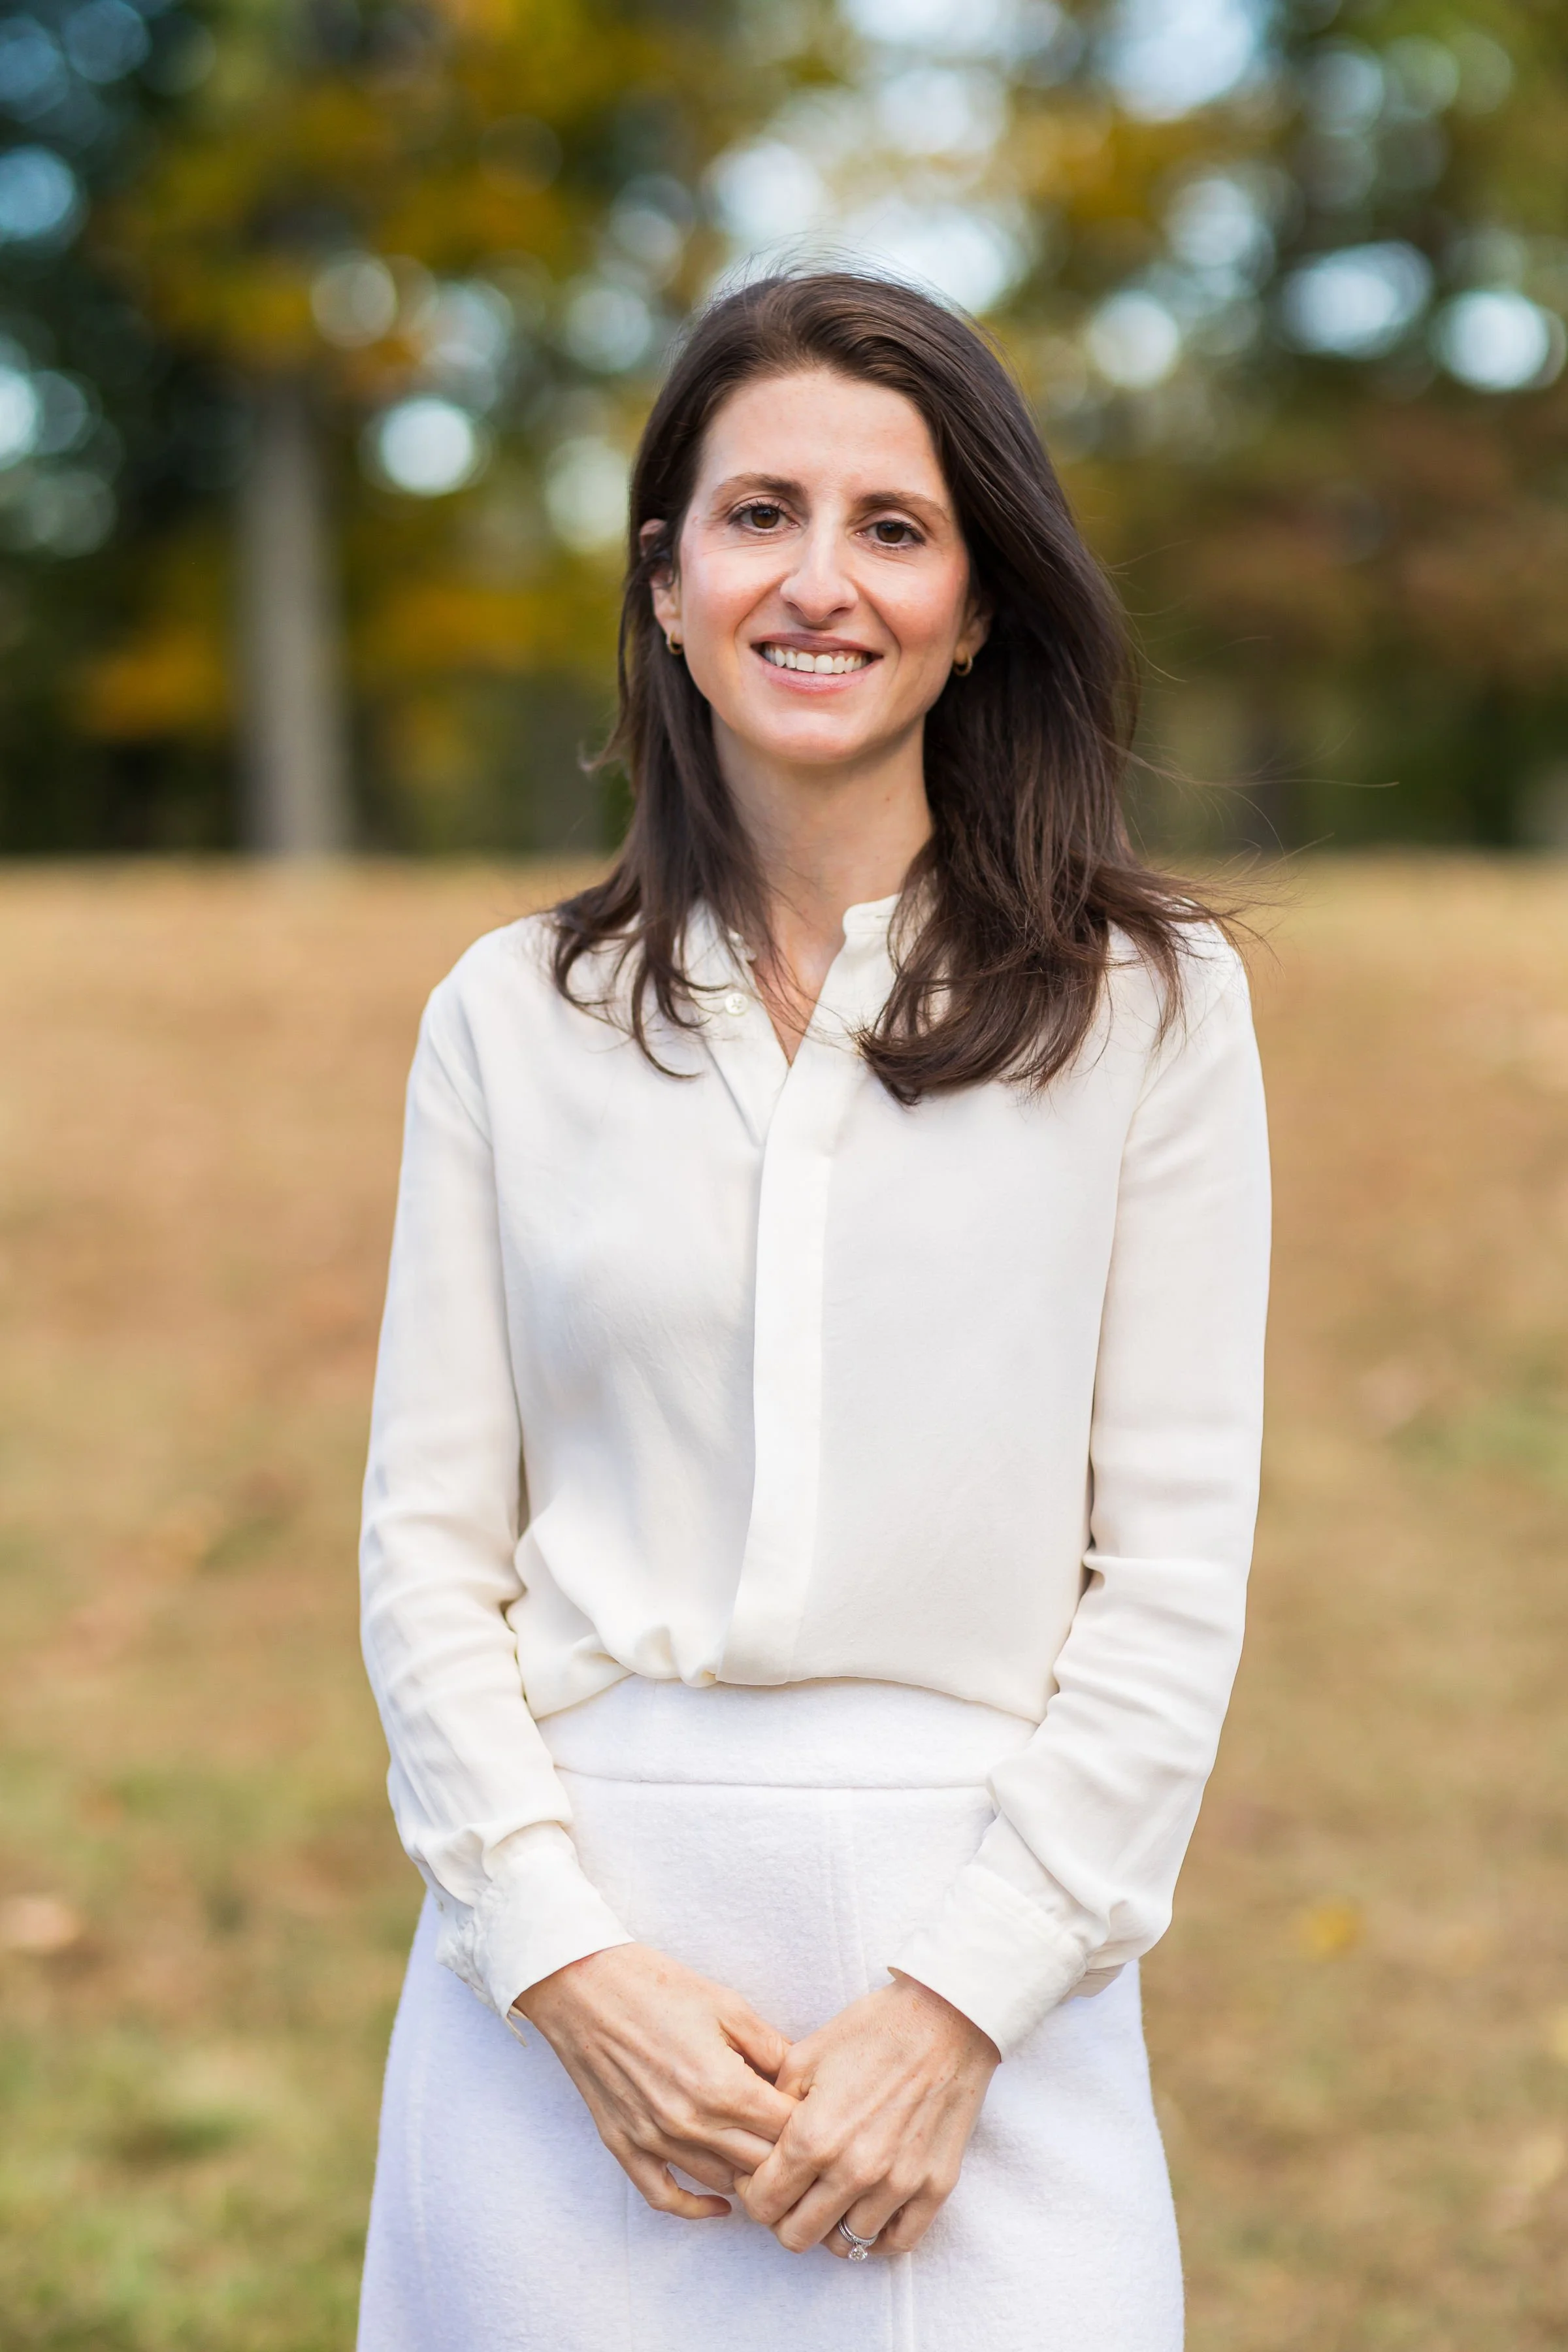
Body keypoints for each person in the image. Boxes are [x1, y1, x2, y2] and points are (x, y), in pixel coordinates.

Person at [355, 269, 1270, 2352]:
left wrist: (956, 2013)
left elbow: (1174, 1575)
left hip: (986, 1994)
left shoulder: (1149, 1014)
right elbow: (426, 1551)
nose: (819, 581)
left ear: (975, 607)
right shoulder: (512, 1020)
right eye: (758, 513)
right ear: (665, 582)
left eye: (894, 526)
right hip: (566, 1999)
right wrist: (565, 1969)